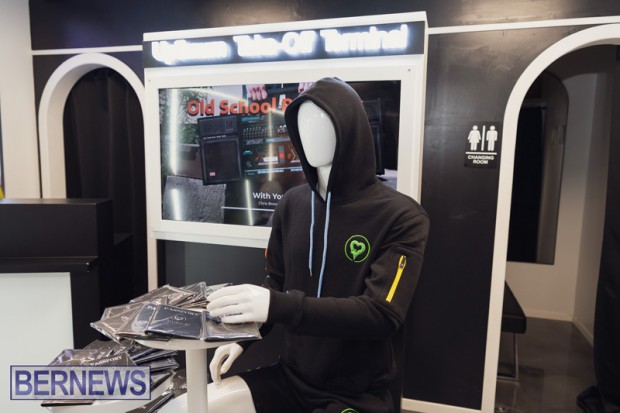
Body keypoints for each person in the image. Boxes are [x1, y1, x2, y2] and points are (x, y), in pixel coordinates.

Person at [206, 77, 430, 413]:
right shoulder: (292, 203)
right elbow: (277, 281)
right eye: (302, 125)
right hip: (290, 376)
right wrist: (243, 337)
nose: (310, 135)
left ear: (351, 131)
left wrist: (277, 306)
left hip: (354, 392)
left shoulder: (402, 216)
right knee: (190, 405)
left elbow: (381, 314)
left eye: (323, 124)